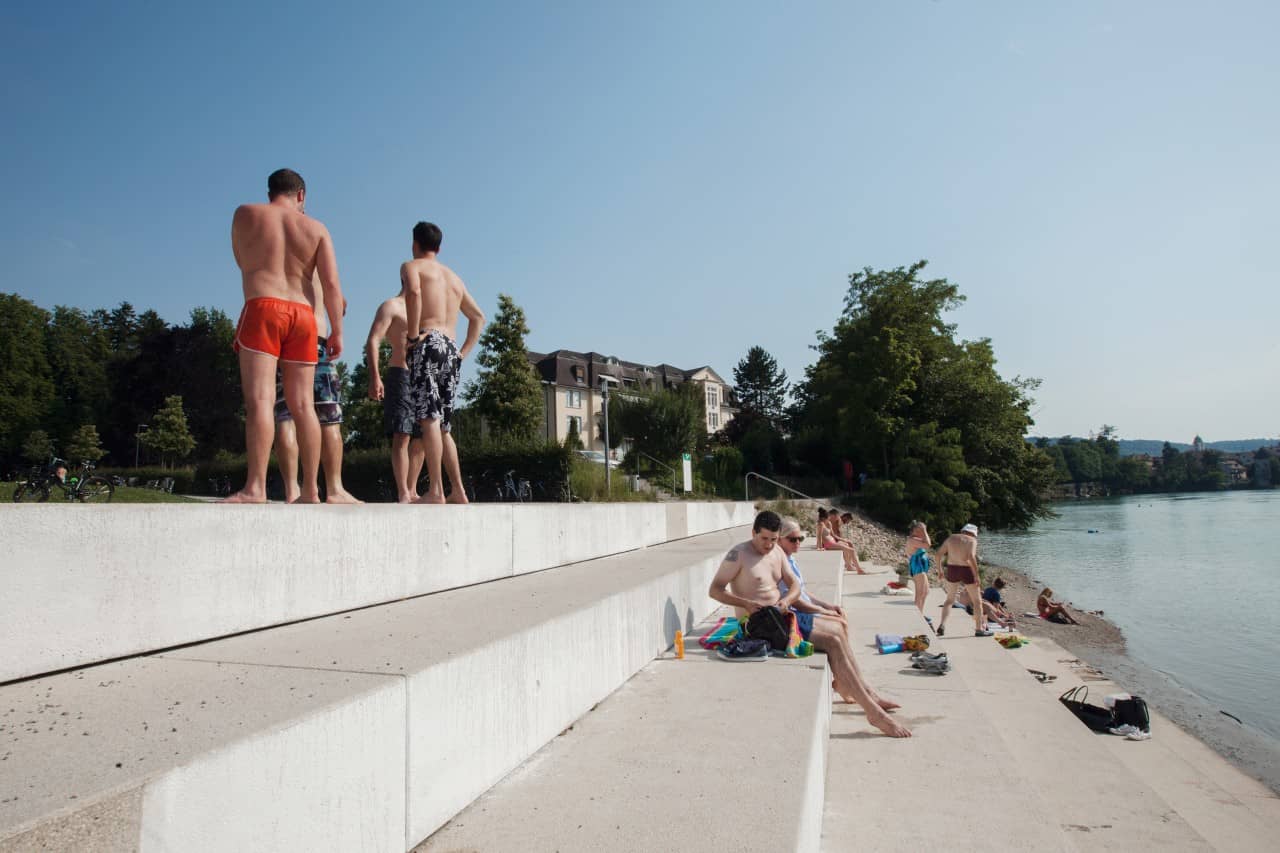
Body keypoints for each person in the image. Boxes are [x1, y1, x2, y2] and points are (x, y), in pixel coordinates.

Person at [708, 511, 910, 738]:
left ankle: (864, 689)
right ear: (753, 532)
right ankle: (873, 713)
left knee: (837, 628)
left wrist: (787, 600)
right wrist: (745, 603)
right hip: (757, 624)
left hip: (781, 614)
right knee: (832, 640)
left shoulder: (776, 552)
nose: (768, 544)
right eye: (763, 539)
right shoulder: (739, 555)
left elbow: (793, 584)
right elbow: (715, 590)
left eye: (773, 539)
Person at [226, 168, 344, 504]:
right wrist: (337, 329)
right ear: (301, 195)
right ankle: (311, 490)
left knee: (262, 401)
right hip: (304, 316)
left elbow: (241, 258)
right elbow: (332, 286)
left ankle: (256, 488)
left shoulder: (246, 214)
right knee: (304, 405)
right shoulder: (317, 228)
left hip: (263, 306)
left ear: (270, 192)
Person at [402, 222, 484, 504]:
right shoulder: (454, 278)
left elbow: (413, 294)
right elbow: (478, 317)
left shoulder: (412, 266)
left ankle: (436, 490)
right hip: (450, 347)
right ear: (439, 246)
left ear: (415, 243)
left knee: (428, 420)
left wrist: (412, 337)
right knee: (444, 425)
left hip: (428, 343)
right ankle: (458, 490)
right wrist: (462, 352)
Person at [273, 275, 359, 504]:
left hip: (283, 338)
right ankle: (334, 488)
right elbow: (339, 302)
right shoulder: (316, 258)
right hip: (314, 338)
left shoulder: (277, 256)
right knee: (328, 417)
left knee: (285, 415)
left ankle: (292, 489)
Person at [366, 282, 427, 502]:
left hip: (423, 378)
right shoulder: (391, 306)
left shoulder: (428, 311)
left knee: (423, 436)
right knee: (402, 434)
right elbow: (373, 340)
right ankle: (403, 491)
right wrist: (375, 376)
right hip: (400, 373)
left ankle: (412, 489)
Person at [934, 523, 991, 637]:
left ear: (963, 530)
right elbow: (971, 557)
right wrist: (976, 575)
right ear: (974, 533)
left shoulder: (951, 538)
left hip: (952, 569)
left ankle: (942, 624)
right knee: (977, 601)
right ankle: (979, 629)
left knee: (949, 600)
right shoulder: (972, 541)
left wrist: (940, 571)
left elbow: (938, 554)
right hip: (966, 570)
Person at [903, 520, 933, 627]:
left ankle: (920, 613)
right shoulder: (913, 540)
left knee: (925, 592)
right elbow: (928, 545)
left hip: (920, 566)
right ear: (915, 530)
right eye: (920, 530)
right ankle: (916, 617)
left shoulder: (917, 539)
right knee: (920, 592)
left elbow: (927, 542)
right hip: (917, 566)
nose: (923, 533)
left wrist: (924, 531)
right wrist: (924, 530)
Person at [818, 508, 865, 574]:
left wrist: (843, 539)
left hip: (832, 542)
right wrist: (819, 547)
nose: (830, 519)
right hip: (828, 544)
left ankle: (849, 565)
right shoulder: (821, 524)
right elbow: (819, 536)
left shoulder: (828, 523)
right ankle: (857, 569)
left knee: (847, 545)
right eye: (828, 517)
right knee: (850, 549)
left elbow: (833, 534)